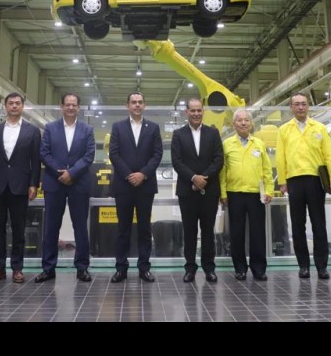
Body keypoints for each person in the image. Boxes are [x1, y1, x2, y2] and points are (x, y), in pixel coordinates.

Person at [35, 93, 96, 283]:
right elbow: (44, 153)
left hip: (79, 183)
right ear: (61, 106)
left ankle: (82, 268)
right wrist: (60, 173)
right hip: (55, 183)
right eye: (67, 104)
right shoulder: (50, 128)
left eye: (74, 105)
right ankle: (48, 268)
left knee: (81, 228)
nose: (70, 107)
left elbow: (89, 155)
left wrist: (72, 173)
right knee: (51, 227)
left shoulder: (87, 129)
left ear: (78, 107)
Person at [0, 92, 41, 284]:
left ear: (22, 107)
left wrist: (34, 184)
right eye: (11, 103)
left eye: (17, 103)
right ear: (5, 106)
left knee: (18, 228)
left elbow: (35, 161)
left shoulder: (32, 131)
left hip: (20, 186)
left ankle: (17, 268)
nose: (14, 106)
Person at [276, 92, 331, 280]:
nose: (301, 107)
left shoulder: (319, 128)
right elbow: (280, 157)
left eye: (303, 104)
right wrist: (282, 181)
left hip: (315, 180)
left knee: (319, 224)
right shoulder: (284, 130)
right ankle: (303, 265)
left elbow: (329, 155)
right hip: (294, 180)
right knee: (297, 225)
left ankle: (321, 266)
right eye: (297, 104)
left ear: (308, 106)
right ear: (291, 107)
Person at [108, 92, 163, 283]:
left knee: (144, 228)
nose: (137, 105)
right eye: (133, 102)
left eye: (140, 102)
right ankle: (121, 268)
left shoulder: (153, 128)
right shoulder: (118, 127)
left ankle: (144, 268)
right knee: (123, 229)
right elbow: (114, 154)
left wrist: (143, 174)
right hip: (124, 185)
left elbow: (157, 154)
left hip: (145, 186)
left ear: (144, 105)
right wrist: (129, 175)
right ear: (128, 105)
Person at [170, 98, 224, 283]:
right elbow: (177, 161)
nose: (196, 113)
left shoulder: (213, 133)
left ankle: (209, 269)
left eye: (199, 110)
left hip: (209, 191)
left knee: (208, 231)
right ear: (186, 112)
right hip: (187, 191)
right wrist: (193, 178)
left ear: (203, 111)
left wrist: (203, 179)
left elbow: (218, 159)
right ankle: (190, 268)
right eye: (192, 110)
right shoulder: (178, 134)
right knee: (189, 231)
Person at [220, 109, 273, 281]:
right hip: (234, 193)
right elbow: (222, 171)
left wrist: (269, 190)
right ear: (234, 124)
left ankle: (259, 269)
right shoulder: (227, 144)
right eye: (239, 120)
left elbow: (267, 169)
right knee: (236, 233)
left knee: (258, 233)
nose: (243, 123)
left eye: (246, 120)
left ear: (251, 123)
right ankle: (240, 268)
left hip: (256, 194)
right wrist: (223, 193)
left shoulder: (259, 144)